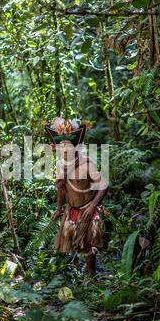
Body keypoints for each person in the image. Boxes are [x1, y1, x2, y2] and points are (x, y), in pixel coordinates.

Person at [44, 117, 108, 275]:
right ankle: (80, 271)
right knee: (74, 243)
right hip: (71, 210)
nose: (64, 151)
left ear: (76, 147)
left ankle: (91, 275)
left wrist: (93, 205)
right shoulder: (60, 164)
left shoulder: (87, 163)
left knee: (88, 245)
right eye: (61, 147)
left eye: (68, 147)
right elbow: (62, 189)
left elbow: (103, 185)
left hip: (88, 209)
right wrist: (59, 209)